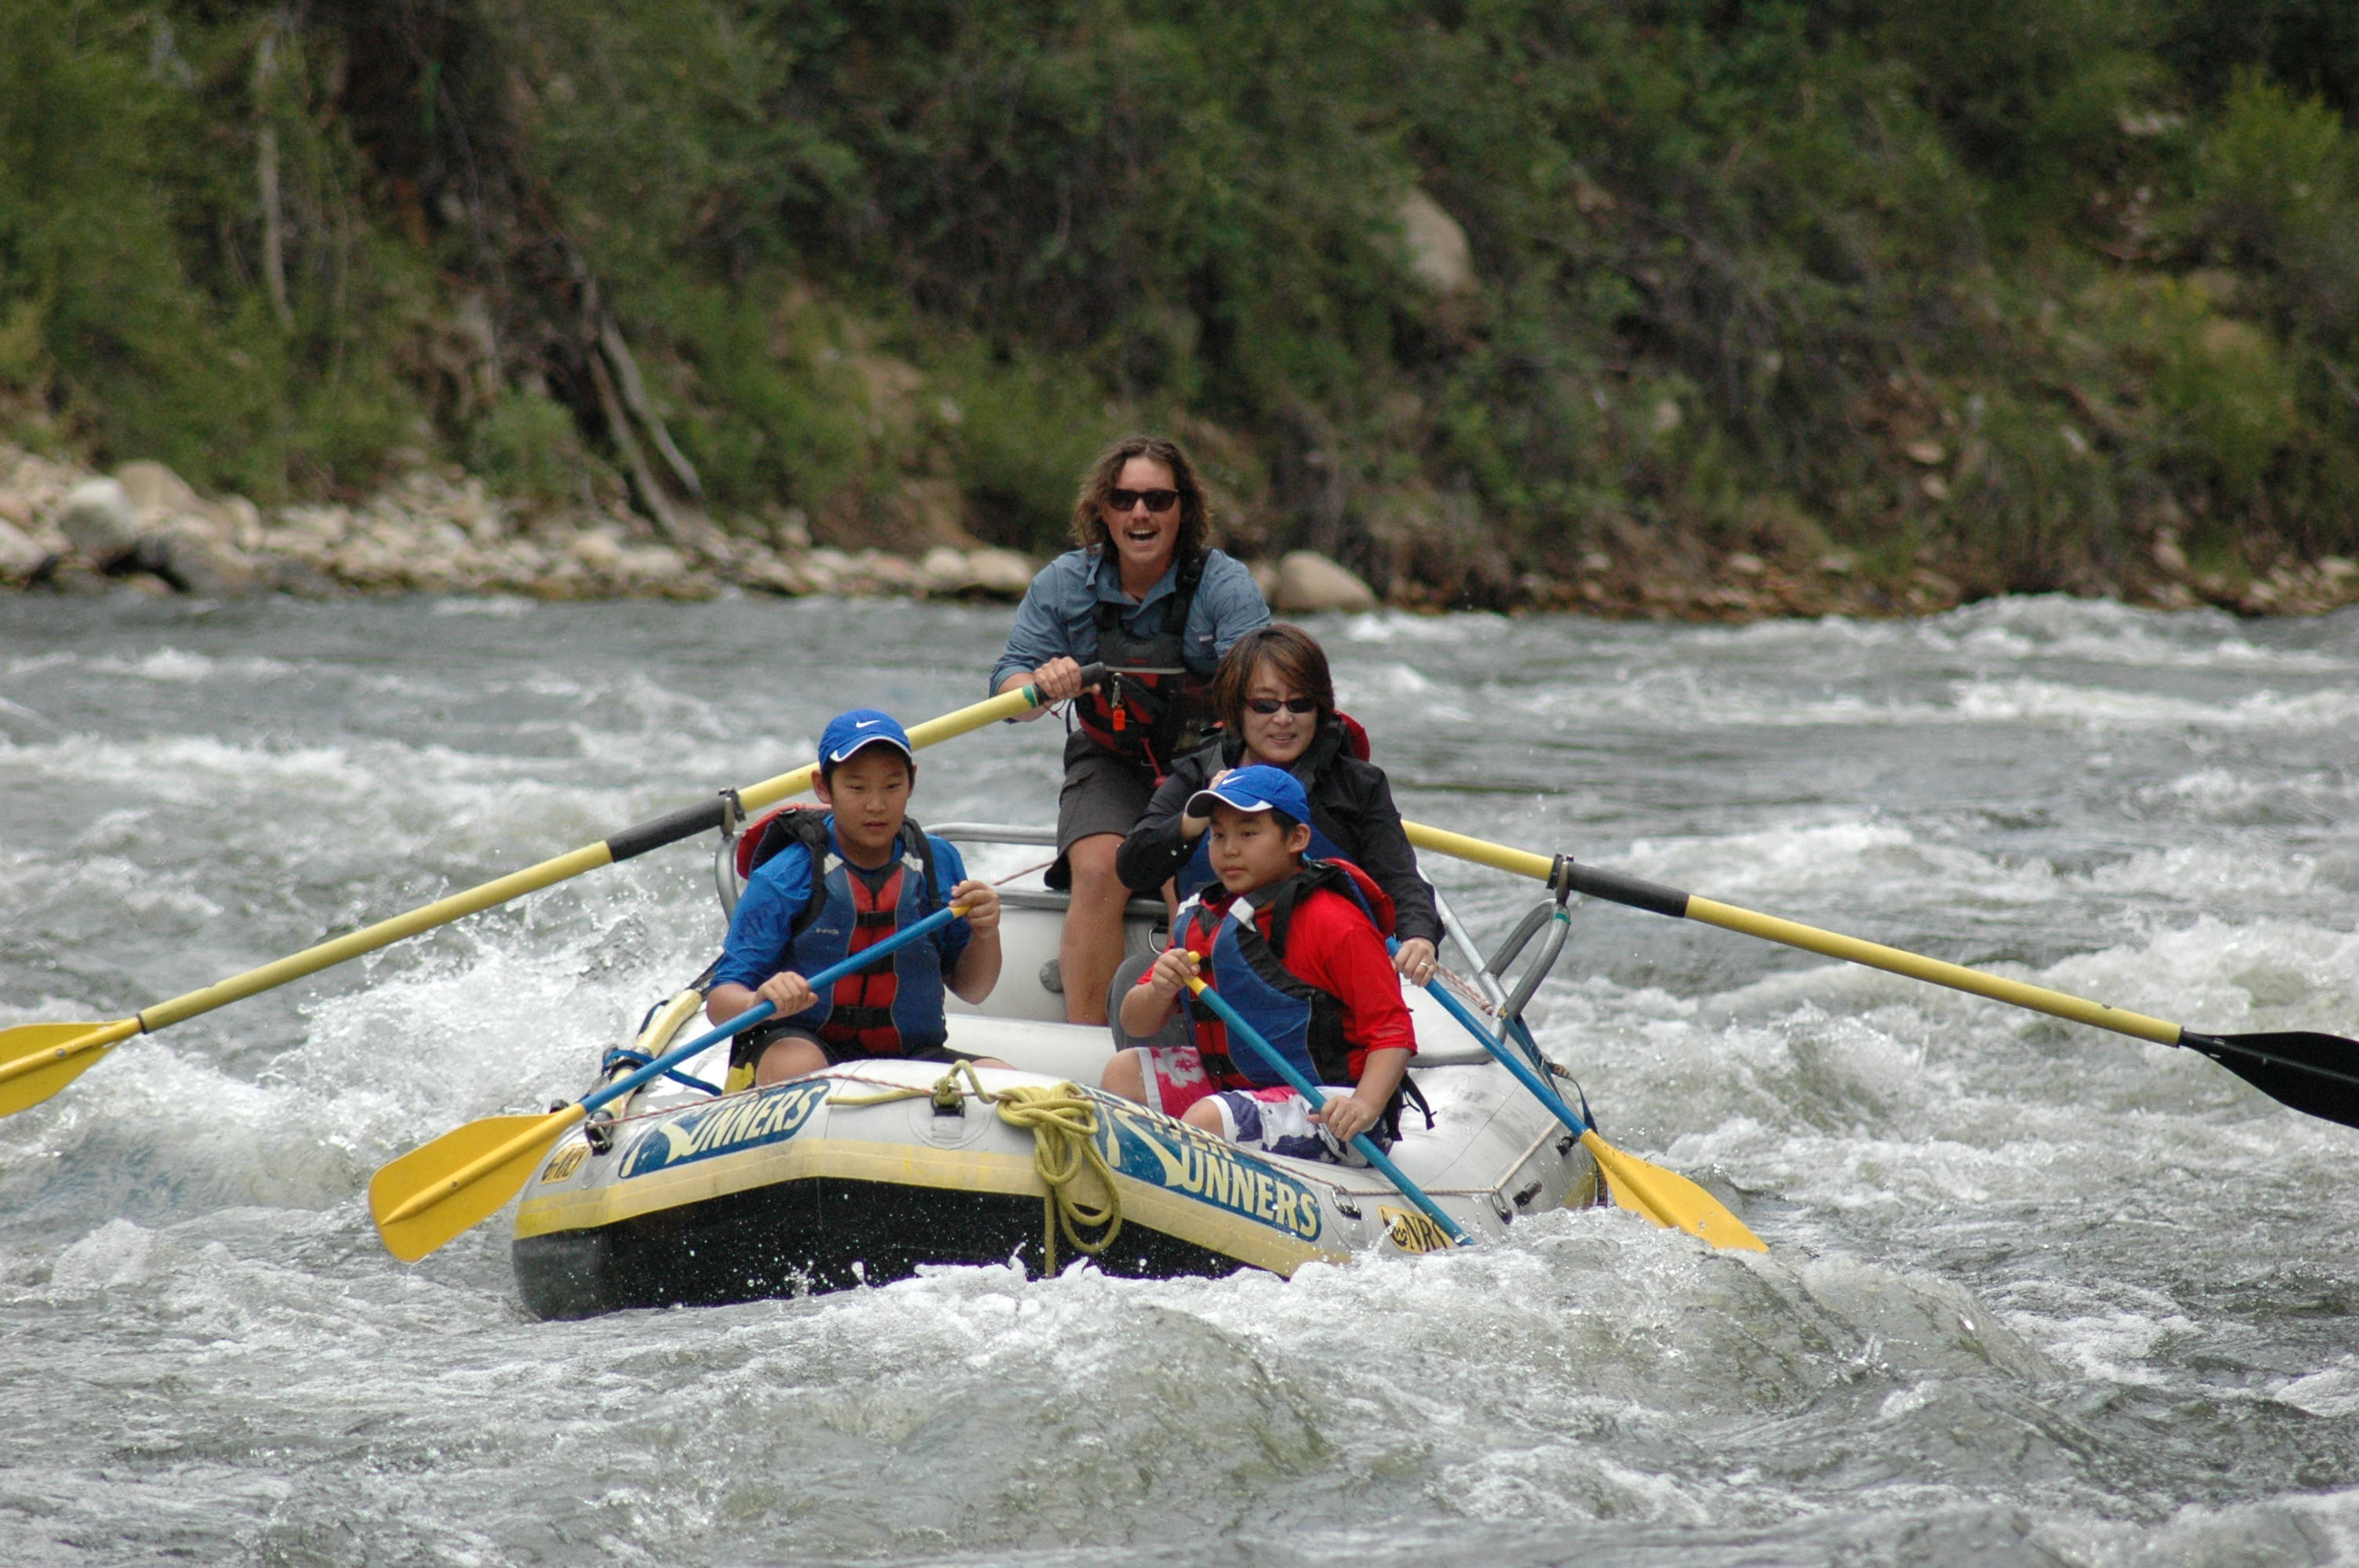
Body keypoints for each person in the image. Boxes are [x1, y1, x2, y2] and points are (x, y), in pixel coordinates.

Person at [989, 434, 1269, 1025]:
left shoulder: (1223, 585)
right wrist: (1041, 685)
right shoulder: (1064, 584)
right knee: (1098, 872)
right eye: (1124, 499)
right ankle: (1089, 1042)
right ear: (1104, 511)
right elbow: (1008, 696)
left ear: (1182, 511)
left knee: (1186, 877)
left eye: (1157, 500)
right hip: (1109, 761)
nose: (1140, 513)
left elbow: (1264, 691)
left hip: (1206, 762)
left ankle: (1205, 1039)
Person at [1103, 766, 1416, 1163]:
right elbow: (1136, 1024)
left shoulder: (1336, 922)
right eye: (1218, 835)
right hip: (1237, 1089)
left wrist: (1365, 1106)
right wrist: (1158, 989)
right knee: (1123, 1071)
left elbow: (1393, 1032)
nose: (1229, 850)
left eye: (1248, 834)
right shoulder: (1204, 919)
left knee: (1208, 1118)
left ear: (1297, 838)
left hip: (1334, 1104)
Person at [1116, 622, 1443, 992]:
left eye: (1300, 704)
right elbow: (1133, 866)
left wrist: (1419, 937)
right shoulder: (1197, 776)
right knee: (1132, 984)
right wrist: (1195, 818)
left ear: (1319, 709)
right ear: (1237, 709)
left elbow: (1401, 879)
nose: (1284, 719)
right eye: (1266, 705)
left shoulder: (1358, 785)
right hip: (1218, 983)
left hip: (1329, 988)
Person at [705, 709, 1003, 1088]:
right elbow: (719, 1003)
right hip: (802, 1048)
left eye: (892, 786)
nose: (876, 805)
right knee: (795, 1061)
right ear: (823, 787)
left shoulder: (938, 862)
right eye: (857, 788)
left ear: (912, 781)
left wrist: (986, 932)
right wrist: (756, 1001)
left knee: (1006, 1082)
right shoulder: (783, 877)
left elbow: (973, 988)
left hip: (911, 1058)